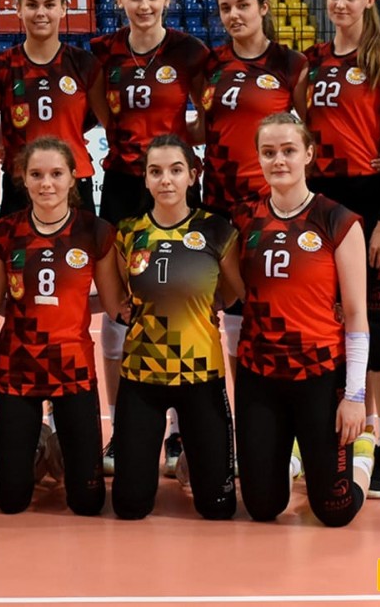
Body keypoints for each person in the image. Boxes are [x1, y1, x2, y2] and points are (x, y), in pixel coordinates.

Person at [90, 0, 210, 477]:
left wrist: (176, 147)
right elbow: (101, 114)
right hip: (123, 184)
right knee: (120, 307)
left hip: (174, 185)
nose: (143, 5)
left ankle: (180, 433)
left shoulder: (189, 51)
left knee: (180, 301)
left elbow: (208, 115)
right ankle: (123, 429)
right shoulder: (104, 51)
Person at [300, 0, 380, 498]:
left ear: (369, 0)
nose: (340, 4)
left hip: (370, 201)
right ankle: (341, 429)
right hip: (322, 201)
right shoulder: (313, 60)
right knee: (329, 318)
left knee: (377, 321)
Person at [232, 113, 375, 527]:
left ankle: (364, 457)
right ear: (258, 158)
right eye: (268, 152)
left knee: (335, 512)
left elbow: (356, 315)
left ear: (308, 154)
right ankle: (295, 457)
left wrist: (355, 397)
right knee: (262, 508)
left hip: (320, 375)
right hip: (260, 374)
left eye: (289, 150)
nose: (279, 160)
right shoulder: (244, 219)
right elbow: (232, 291)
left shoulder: (337, 220)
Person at [0, 137, 124, 515]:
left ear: (73, 177)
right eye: (37, 175)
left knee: (88, 503)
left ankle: (59, 444)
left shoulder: (96, 232)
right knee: (10, 501)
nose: (47, 184)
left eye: (57, 174)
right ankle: (42, 440)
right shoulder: (3, 233)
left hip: (73, 368)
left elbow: (113, 305)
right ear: (23, 179)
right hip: (18, 367)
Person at [110, 135, 240, 520]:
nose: (166, 179)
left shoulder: (216, 230)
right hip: (142, 375)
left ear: (192, 176)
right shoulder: (128, 232)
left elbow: (234, 291)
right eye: (156, 171)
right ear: (145, 179)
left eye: (176, 170)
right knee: (129, 506)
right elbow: (120, 298)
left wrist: (209, 304)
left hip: (201, 373)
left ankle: (193, 457)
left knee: (218, 508)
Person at [194, 0, 307, 386]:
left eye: (242, 5)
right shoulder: (211, 63)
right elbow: (204, 127)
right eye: (225, 8)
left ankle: (275, 401)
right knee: (218, 308)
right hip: (216, 201)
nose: (234, 15)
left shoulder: (289, 63)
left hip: (265, 205)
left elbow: (311, 131)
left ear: (263, 7)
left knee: (268, 302)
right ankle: (232, 408)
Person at [0, 0, 108, 217]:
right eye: (32, 5)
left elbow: (105, 122)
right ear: (18, 9)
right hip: (21, 180)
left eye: (49, 5)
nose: (41, 13)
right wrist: (10, 142)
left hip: (74, 178)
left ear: (64, 8)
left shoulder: (84, 64)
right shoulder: (0, 66)